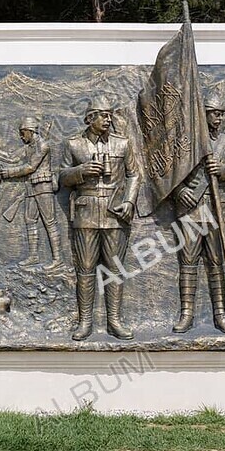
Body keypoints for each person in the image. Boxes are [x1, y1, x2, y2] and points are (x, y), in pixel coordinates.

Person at [59, 95, 141, 341]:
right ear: (90, 118)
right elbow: (62, 176)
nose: (108, 119)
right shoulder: (74, 144)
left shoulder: (122, 144)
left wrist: (129, 201)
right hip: (86, 212)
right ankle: (85, 322)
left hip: (115, 213)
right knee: (85, 269)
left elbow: (134, 175)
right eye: (103, 115)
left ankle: (114, 320)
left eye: (110, 115)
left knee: (114, 269)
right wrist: (80, 172)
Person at [170, 92, 225, 333]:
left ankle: (220, 314)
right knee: (188, 263)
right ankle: (186, 314)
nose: (219, 118)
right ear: (204, 114)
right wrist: (180, 191)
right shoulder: (185, 142)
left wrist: (221, 169)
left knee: (216, 262)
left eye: (221, 114)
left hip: (217, 208)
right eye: (215, 114)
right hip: (190, 209)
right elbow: (170, 174)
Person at [0, 116, 64, 270]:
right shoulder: (29, 146)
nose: (21, 137)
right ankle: (34, 256)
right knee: (30, 220)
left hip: (43, 188)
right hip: (31, 188)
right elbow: (12, 157)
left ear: (30, 131)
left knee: (49, 222)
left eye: (23, 133)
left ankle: (58, 259)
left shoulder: (43, 145)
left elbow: (30, 167)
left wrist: (9, 173)